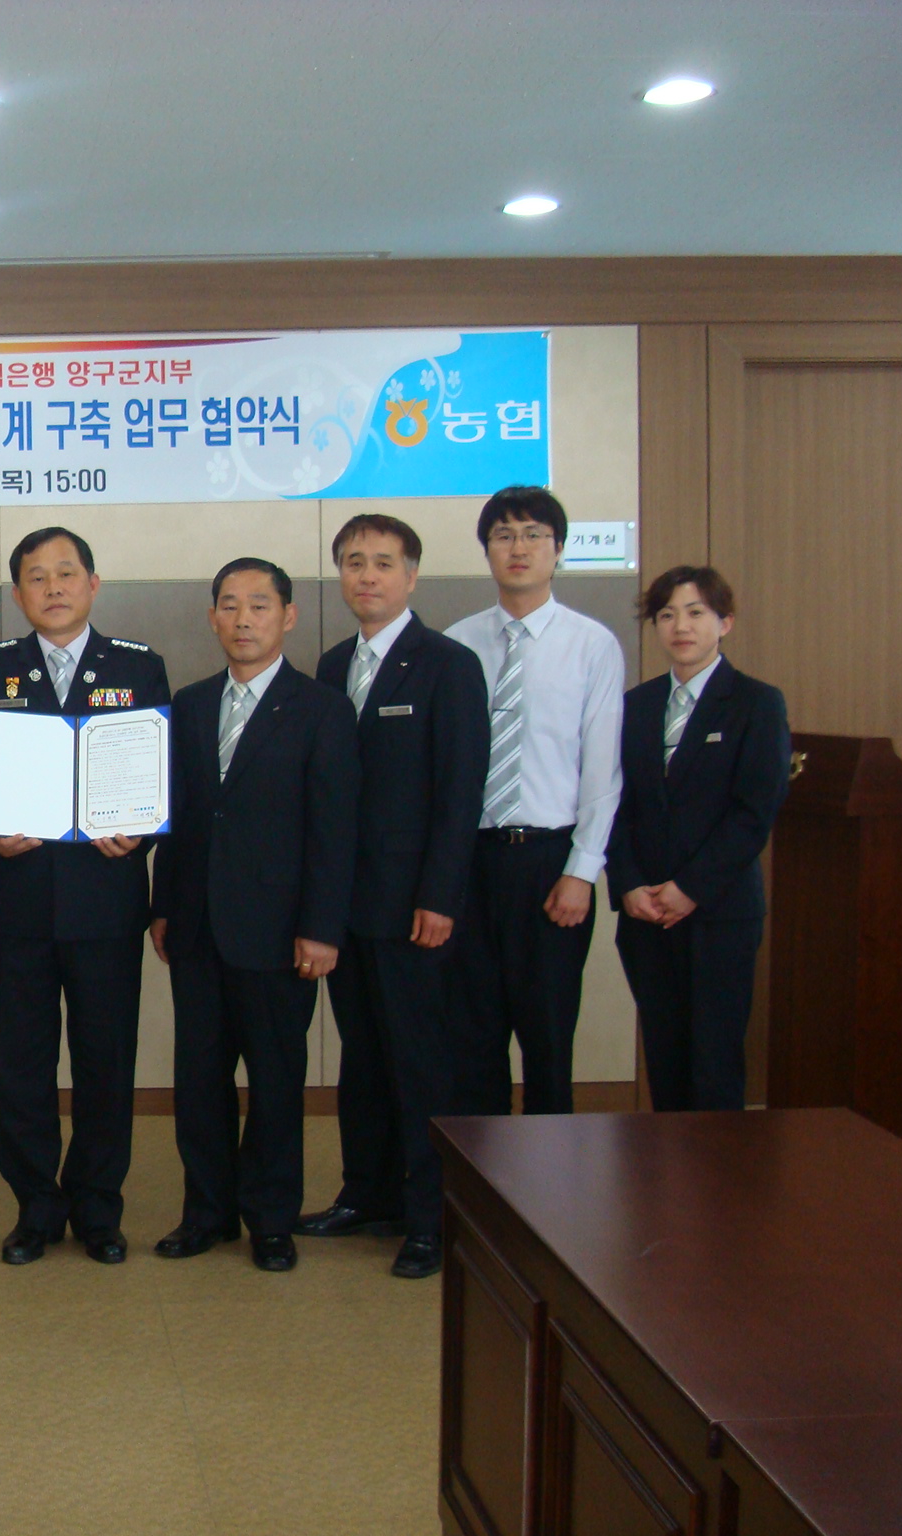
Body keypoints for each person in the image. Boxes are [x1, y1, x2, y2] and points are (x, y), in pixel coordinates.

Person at [0, 526, 170, 1266]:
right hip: (16, 900)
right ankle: (35, 1208)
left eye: (66, 573)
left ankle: (98, 1208)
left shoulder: (139, 668)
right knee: (20, 1062)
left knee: (105, 1060)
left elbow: (158, 778)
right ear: (18, 592)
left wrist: (141, 833)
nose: (53, 587)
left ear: (93, 583)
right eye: (36, 576)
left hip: (105, 898)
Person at [150, 558, 357, 1272]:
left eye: (260, 606)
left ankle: (270, 1219)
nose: (244, 620)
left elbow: (334, 829)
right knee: (199, 1081)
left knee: (274, 1081)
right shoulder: (190, 704)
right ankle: (206, 1213)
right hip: (197, 927)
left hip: (280, 932)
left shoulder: (323, 708)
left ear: (288, 617)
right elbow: (179, 818)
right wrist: (164, 908)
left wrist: (322, 927)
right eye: (230, 606)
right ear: (213, 618)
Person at [296, 515, 488, 1280]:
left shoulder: (448, 664)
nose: (366, 576)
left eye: (382, 563)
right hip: (346, 906)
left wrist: (441, 895)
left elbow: (461, 793)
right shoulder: (334, 662)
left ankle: (429, 1215)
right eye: (353, 562)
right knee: (363, 1057)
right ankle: (365, 1194)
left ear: (411, 576)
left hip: (415, 909)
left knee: (421, 1064)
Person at [447, 486, 624, 1117]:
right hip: (469, 862)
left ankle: (552, 1177)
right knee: (472, 1038)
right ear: (486, 550)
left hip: (550, 863)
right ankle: (479, 1174)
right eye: (503, 535)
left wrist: (582, 871)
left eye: (533, 535)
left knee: (548, 1039)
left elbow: (603, 772)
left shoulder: (591, 644)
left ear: (558, 549)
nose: (517, 548)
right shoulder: (457, 644)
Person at [607, 566, 789, 1112]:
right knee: (665, 1061)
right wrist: (629, 884)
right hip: (645, 914)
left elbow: (753, 813)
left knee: (714, 1064)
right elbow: (613, 803)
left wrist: (688, 888)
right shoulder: (635, 705)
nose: (680, 626)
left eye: (695, 613)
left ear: (724, 622)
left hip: (718, 913)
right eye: (667, 615)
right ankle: (668, 1168)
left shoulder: (757, 703)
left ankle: (719, 1172)